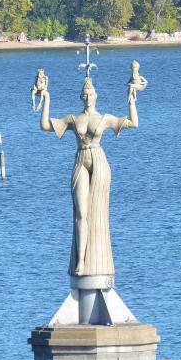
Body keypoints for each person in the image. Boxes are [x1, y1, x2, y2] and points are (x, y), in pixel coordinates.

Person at [39, 71, 141, 277]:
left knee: (98, 212)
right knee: (81, 213)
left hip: (99, 161)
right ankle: (81, 261)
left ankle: (96, 256)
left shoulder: (104, 118)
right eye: (84, 94)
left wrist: (131, 99)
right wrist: (46, 97)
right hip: (81, 160)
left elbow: (133, 123)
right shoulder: (73, 119)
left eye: (91, 93)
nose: (88, 97)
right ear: (81, 97)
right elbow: (44, 126)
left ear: (96, 96)